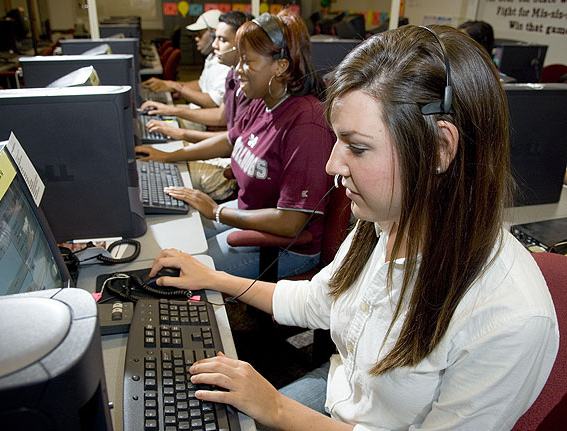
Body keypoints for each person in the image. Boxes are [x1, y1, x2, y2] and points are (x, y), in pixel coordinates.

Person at [147, 25, 559, 430]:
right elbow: (317, 300)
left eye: (357, 147)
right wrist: (213, 277)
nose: (332, 165)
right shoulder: (383, 220)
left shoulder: (510, 318)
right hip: (343, 394)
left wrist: (275, 407)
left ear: (439, 147)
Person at [139, 10, 335, 279]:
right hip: (245, 216)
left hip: (285, 247)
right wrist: (167, 156)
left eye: (247, 62)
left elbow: (290, 223)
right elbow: (231, 140)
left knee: (179, 270)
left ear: (280, 67)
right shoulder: (263, 100)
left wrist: (217, 211)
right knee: (174, 244)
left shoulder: (306, 125)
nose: (238, 70)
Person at [141, 11, 254, 143]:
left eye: (221, 39)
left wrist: (180, 130)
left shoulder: (243, 77)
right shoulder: (231, 73)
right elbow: (202, 85)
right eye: (215, 37)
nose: (214, 44)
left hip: (223, 139)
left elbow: (223, 120)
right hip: (227, 141)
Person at [142, 9, 230, 111]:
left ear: (214, 34)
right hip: (196, 110)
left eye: (200, 34)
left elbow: (212, 102)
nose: (196, 38)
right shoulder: (212, 57)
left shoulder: (225, 64)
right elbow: (201, 84)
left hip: (204, 118)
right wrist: (167, 84)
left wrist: (174, 87)